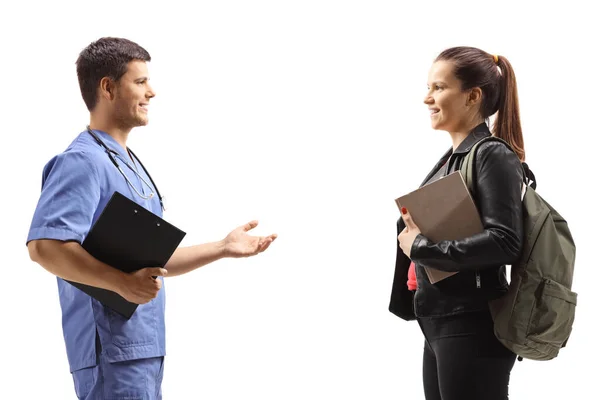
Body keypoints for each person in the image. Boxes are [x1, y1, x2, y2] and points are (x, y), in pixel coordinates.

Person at [26, 37, 277, 400]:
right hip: (112, 357)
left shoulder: (126, 163)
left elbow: (151, 262)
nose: (152, 92)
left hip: (141, 351)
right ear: (108, 87)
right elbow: (44, 247)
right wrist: (121, 284)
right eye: (140, 81)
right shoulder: (82, 162)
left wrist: (223, 247)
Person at [389, 46, 526, 400]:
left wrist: (421, 247)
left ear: (472, 96)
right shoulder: (452, 160)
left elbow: (504, 241)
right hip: (441, 321)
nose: (427, 98)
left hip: (471, 324)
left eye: (438, 88)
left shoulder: (491, 155)